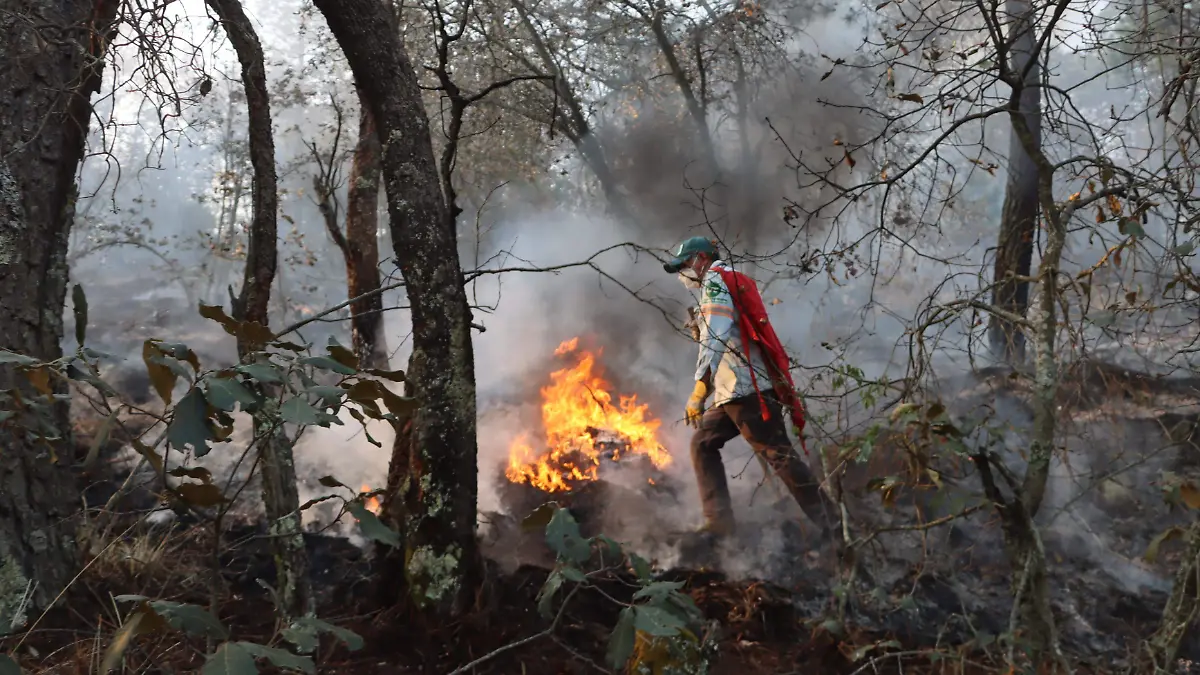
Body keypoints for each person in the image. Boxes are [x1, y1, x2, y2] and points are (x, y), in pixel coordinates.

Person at [663, 235, 841, 546]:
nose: (682, 274)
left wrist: (699, 389)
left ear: (702, 259)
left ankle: (835, 527)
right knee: (703, 443)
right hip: (733, 391)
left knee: (779, 456)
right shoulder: (723, 283)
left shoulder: (715, 283)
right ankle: (720, 524)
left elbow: (715, 339)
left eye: (685, 265)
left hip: (746, 390)